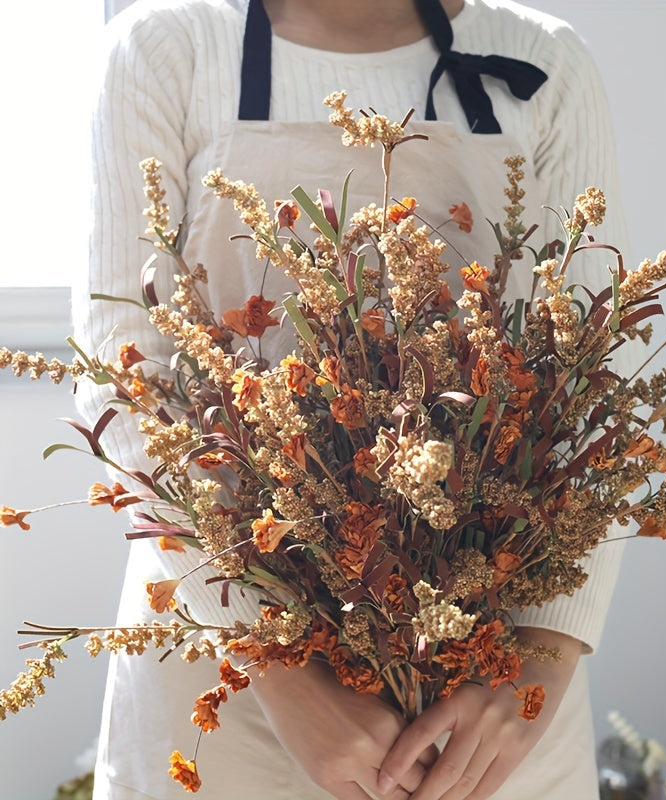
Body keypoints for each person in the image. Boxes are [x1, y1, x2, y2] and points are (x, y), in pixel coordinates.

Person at [73, 0, 631, 797]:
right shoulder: (170, 47)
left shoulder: (539, 57)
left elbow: (594, 380)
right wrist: (285, 679)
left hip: (484, 715)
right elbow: (129, 373)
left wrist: (533, 671)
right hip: (227, 683)